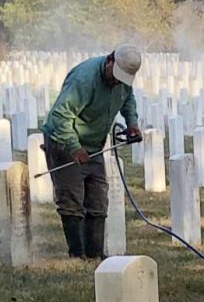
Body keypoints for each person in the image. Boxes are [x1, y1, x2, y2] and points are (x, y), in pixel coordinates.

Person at [40, 44, 143, 260]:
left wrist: (132, 123)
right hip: (64, 141)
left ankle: (95, 254)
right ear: (109, 60)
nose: (117, 81)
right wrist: (74, 147)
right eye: (115, 76)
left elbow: (127, 99)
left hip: (94, 146)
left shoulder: (122, 82)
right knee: (72, 199)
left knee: (98, 199)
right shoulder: (84, 79)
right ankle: (77, 256)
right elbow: (60, 116)